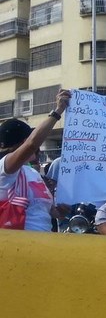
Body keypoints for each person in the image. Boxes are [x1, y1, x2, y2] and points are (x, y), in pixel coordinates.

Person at [0, 89, 71, 231]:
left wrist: (62, 211)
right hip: (17, 246)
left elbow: (51, 212)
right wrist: (58, 111)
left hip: (42, 245)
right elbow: (32, 144)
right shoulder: (4, 167)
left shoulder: (33, 173)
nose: (37, 148)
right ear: (25, 141)